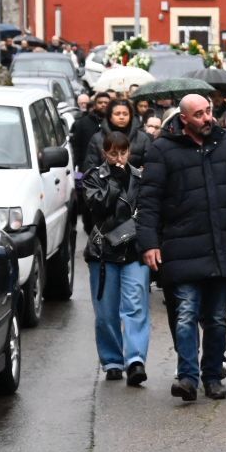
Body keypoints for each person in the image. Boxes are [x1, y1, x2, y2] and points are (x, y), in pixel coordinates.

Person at [138, 93, 226, 402]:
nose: (207, 118)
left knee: (217, 319)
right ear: (183, 118)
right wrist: (149, 243)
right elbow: (149, 201)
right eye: (199, 114)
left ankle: (213, 377)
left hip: (219, 246)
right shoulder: (162, 149)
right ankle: (187, 377)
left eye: (208, 111)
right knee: (185, 315)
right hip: (180, 247)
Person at [82, 132, 151, 385]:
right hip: (104, 251)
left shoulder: (140, 177)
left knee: (135, 305)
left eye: (123, 152)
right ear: (104, 153)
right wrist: (113, 182)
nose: (119, 158)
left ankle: (135, 360)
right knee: (106, 310)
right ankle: (112, 360)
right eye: (113, 153)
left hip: (133, 249)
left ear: (129, 151)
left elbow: (149, 210)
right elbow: (96, 208)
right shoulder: (93, 177)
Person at [84, 99, 153, 169]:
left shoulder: (143, 138)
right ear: (110, 117)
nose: (121, 117)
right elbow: (90, 167)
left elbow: (149, 165)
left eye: (125, 114)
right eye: (117, 114)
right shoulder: (97, 139)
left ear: (130, 116)